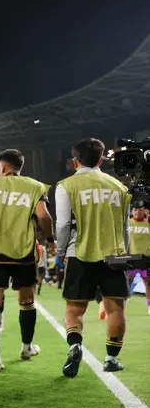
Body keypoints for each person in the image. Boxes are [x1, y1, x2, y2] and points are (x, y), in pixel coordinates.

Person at [0, 149, 54, 372]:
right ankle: (26, 347)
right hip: (22, 253)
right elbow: (43, 216)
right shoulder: (35, 186)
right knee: (26, 301)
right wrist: (50, 239)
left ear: (3, 167)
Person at [56, 138, 131, 377]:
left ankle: (75, 346)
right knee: (115, 308)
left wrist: (60, 252)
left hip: (79, 252)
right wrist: (125, 254)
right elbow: (125, 227)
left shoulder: (66, 185)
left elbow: (63, 224)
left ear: (75, 160)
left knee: (74, 308)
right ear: (100, 160)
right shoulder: (120, 187)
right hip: (114, 255)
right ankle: (111, 359)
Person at [101, 205, 150, 319]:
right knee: (125, 283)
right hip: (130, 259)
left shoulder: (148, 223)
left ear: (145, 211)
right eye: (135, 209)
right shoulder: (128, 223)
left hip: (146, 259)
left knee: (148, 283)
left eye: (140, 209)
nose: (138, 211)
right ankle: (120, 307)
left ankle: (149, 306)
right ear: (132, 211)